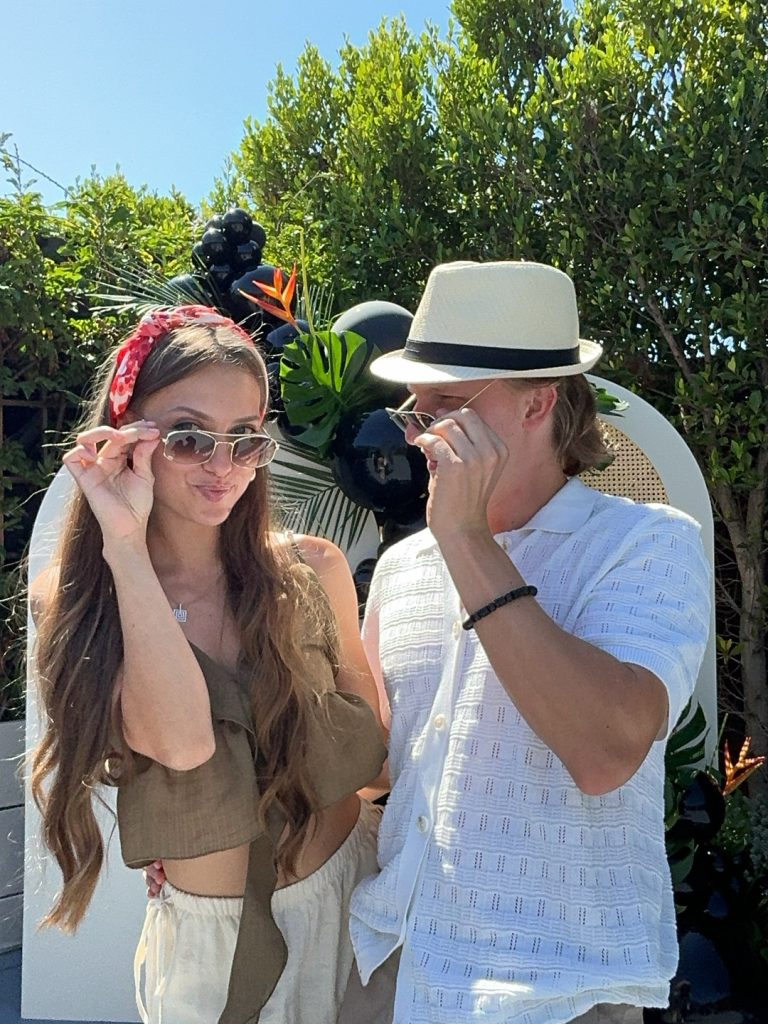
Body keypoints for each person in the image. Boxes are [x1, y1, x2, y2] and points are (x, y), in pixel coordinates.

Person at [339, 261, 712, 1024]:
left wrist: (469, 540)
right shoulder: (406, 565)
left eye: (449, 405)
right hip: (388, 970)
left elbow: (607, 751)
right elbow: (376, 764)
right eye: (418, 408)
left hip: (557, 990)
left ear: (540, 401)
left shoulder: (648, 545)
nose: (422, 431)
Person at [29, 305, 387, 1024]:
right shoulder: (82, 598)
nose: (223, 468)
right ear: (128, 436)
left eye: (244, 439)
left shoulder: (313, 572)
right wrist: (124, 544)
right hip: (212, 950)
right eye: (189, 438)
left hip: (356, 906)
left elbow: (378, 764)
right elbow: (186, 742)